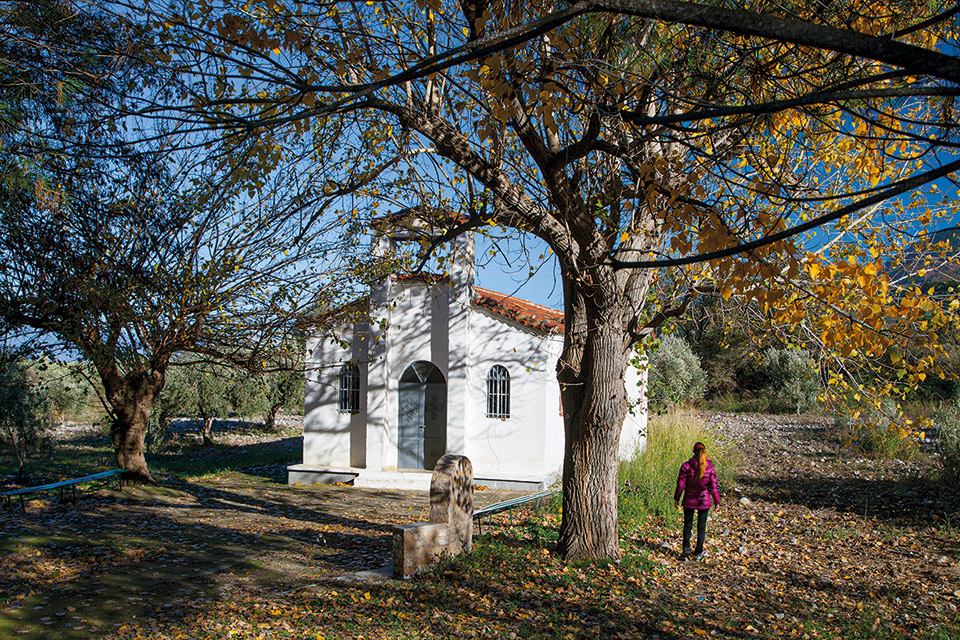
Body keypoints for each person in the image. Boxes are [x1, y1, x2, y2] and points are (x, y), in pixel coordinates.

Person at [673, 441, 721, 561]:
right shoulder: (709, 467)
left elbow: (680, 485)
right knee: (701, 527)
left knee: (687, 525)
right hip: (704, 500)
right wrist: (717, 501)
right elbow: (713, 487)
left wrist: (677, 498)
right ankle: (699, 552)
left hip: (689, 499)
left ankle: (686, 550)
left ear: (693, 452)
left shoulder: (686, 466)